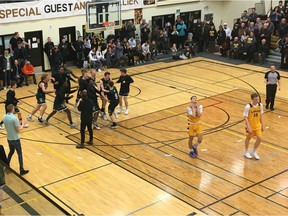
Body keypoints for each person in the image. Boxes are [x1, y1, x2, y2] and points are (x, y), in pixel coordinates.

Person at [3, 104, 29, 175]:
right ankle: (21, 169)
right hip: (15, 139)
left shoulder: (4, 117)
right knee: (19, 153)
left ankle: (7, 165)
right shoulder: (14, 118)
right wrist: (23, 124)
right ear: (12, 109)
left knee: (11, 152)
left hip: (9, 138)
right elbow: (18, 130)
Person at [243, 93, 265, 160]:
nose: (257, 100)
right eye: (256, 99)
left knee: (259, 138)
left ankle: (254, 151)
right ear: (252, 99)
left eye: (258, 99)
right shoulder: (248, 106)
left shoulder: (260, 105)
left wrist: (263, 125)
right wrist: (248, 127)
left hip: (258, 125)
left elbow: (261, 116)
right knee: (248, 138)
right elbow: (245, 117)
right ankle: (246, 151)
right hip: (250, 125)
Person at [0, 144, 8, 213]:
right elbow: (5, 161)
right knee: (0, 188)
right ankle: (0, 203)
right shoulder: (0, 147)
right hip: (0, 171)